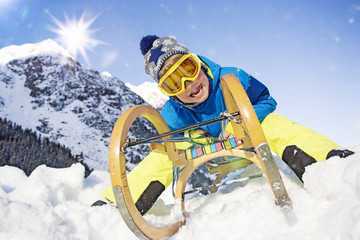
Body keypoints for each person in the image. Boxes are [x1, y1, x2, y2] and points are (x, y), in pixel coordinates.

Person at [100, 35, 354, 213]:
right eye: (173, 83)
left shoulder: (232, 78)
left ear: (197, 61)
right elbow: (163, 148)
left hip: (248, 140)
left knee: (274, 124)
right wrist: (186, 140)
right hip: (210, 156)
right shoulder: (172, 114)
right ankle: (117, 205)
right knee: (163, 157)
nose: (188, 84)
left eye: (187, 69)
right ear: (168, 92)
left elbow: (266, 100)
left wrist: (242, 121)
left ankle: (331, 162)